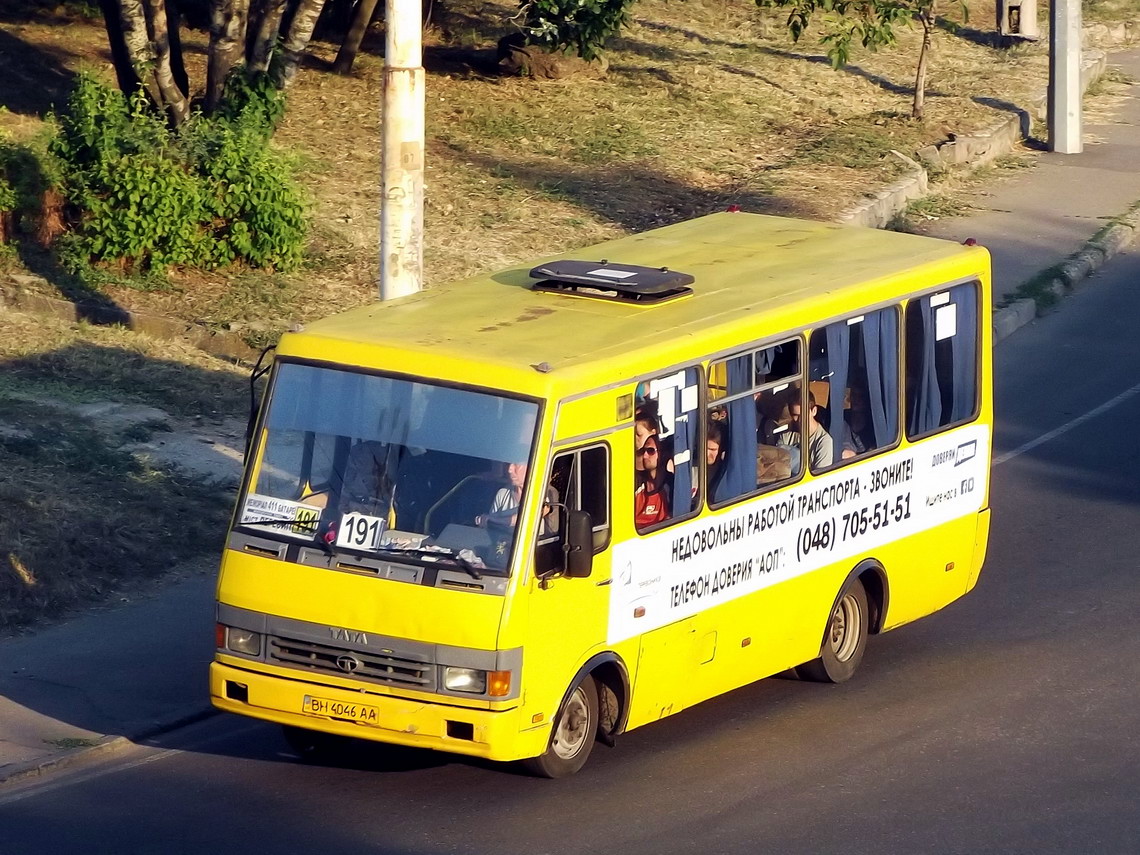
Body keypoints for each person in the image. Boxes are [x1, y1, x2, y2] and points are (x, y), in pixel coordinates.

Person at [477, 461, 556, 534]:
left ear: (532, 466)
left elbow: (529, 517)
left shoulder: (547, 492)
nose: (509, 470)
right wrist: (483, 521)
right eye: (508, 464)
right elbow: (490, 529)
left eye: (516, 464)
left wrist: (494, 520)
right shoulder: (503, 493)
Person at [778, 390, 833, 470]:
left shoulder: (824, 442)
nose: (800, 420)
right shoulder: (786, 436)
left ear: (814, 411)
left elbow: (820, 479)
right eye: (795, 415)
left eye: (803, 414)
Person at [634, 434, 671, 528]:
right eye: (643, 451)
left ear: (662, 454)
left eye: (650, 451)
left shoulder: (672, 486)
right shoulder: (635, 484)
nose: (645, 456)